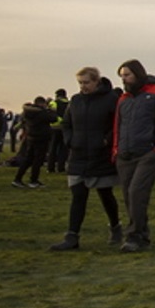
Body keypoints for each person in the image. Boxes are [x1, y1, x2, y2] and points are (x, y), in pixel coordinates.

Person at [53, 67, 123, 250]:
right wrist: (70, 140)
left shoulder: (111, 100)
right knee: (78, 196)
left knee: (105, 194)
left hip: (101, 155)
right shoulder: (75, 101)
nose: (83, 86)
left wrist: (106, 140)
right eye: (80, 83)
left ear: (96, 81)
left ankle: (116, 226)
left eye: (86, 82)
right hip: (78, 155)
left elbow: (117, 124)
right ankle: (72, 236)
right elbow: (67, 124)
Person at [112, 59, 155, 253]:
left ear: (138, 74)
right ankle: (141, 234)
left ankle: (134, 235)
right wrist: (116, 150)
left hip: (146, 153)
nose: (124, 79)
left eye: (127, 75)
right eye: (122, 76)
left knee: (136, 194)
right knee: (129, 197)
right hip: (125, 154)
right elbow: (118, 125)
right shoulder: (123, 99)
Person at [12, 96, 52, 189]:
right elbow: (53, 117)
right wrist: (49, 110)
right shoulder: (41, 113)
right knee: (38, 160)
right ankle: (33, 180)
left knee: (28, 159)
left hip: (31, 137)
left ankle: (17, 179)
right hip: (41, 138)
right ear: (41, 104)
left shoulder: (28, 112)